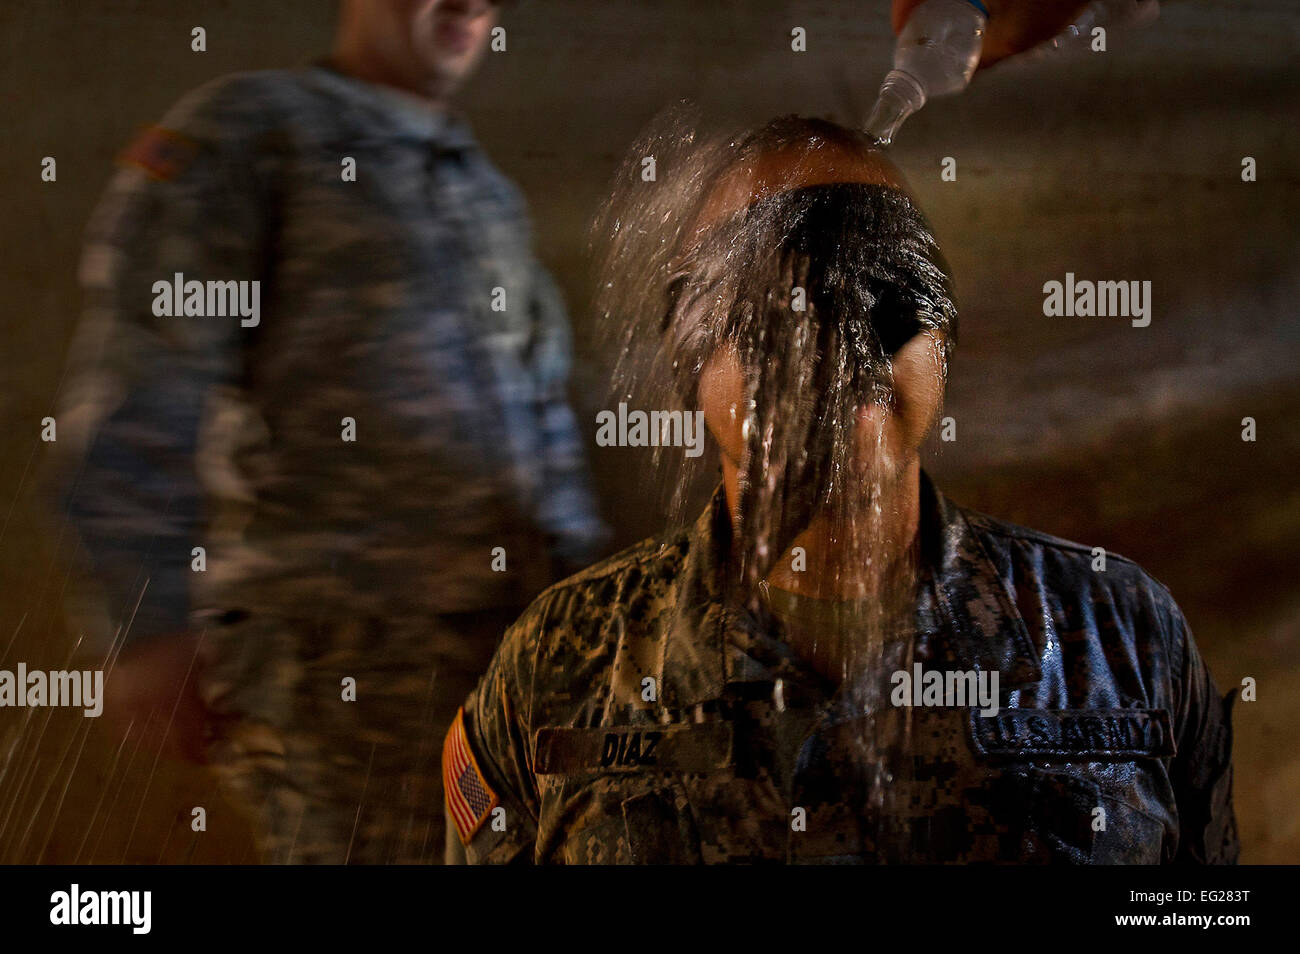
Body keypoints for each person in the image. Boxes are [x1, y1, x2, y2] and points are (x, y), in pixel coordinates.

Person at [444, 114, 1238, 864]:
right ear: (690, 358)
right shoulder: (557, 666)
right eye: (776, 309)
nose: (843, 347)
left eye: (889, 292)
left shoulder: (1122, 638)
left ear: (944, 336)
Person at [57, 0, 606, 864]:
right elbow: (149, 372)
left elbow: (541, 417)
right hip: (354, 665)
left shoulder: (479, 185)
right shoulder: (255, 132)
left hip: (522, 660)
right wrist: (148, 615)